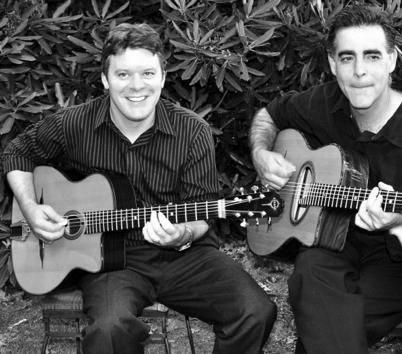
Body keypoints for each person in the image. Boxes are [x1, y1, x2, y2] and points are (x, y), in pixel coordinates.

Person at [2, 23, 276, 354]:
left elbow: (202, 210)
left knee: (255, 311)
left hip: (185, 256)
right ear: (105, 79)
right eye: (123, 75)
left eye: (147, 73)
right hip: (111, 262)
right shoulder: (75, 123)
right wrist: (31, 208)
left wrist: (182, 233)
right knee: (109, 330)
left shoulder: (192, 131)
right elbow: (17, 151)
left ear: (162, 76)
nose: (136, 87)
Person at [249, 5, 402, 354]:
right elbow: (268, 116)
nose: (359, 71)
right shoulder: (324, 102)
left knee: (326, 326)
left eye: (372, 56)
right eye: (347, 58)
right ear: (333, 64)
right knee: (309, 273)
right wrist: (261, 153)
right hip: (335, 238)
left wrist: (399, 219)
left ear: (392, 61)